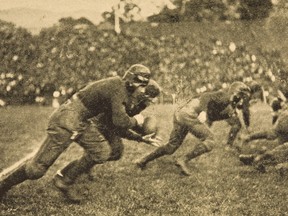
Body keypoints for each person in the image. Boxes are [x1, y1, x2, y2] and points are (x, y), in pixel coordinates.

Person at [0, 64, 155, 202]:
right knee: (36, 170)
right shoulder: (118, 88)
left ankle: (63, 179)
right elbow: (120, 122)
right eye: (141, 85)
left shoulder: (119, 88)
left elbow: (114, 125)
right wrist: (138, 122)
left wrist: (139, 137)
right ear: (132, 81)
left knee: (101, 152)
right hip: (67, 118)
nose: (142, 90)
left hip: (80, 120)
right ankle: (3, 185)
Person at [136, 81, 251, 176]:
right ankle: (183, 160)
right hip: (190, 113)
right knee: (210, 140)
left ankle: (143, 160)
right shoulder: (225, 97)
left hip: (181, 113)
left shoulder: (229, 107)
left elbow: (217, 114)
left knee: (171, 146)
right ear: (236, 94)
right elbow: (206, 97)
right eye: (242, 97)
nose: (243, 101)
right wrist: (203, 112)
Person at [239, 105, 288, 174]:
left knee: (281, 145)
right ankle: (260, 159)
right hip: (285, 119)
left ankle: (257, 158)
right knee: (283, 149)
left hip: (284, 117)